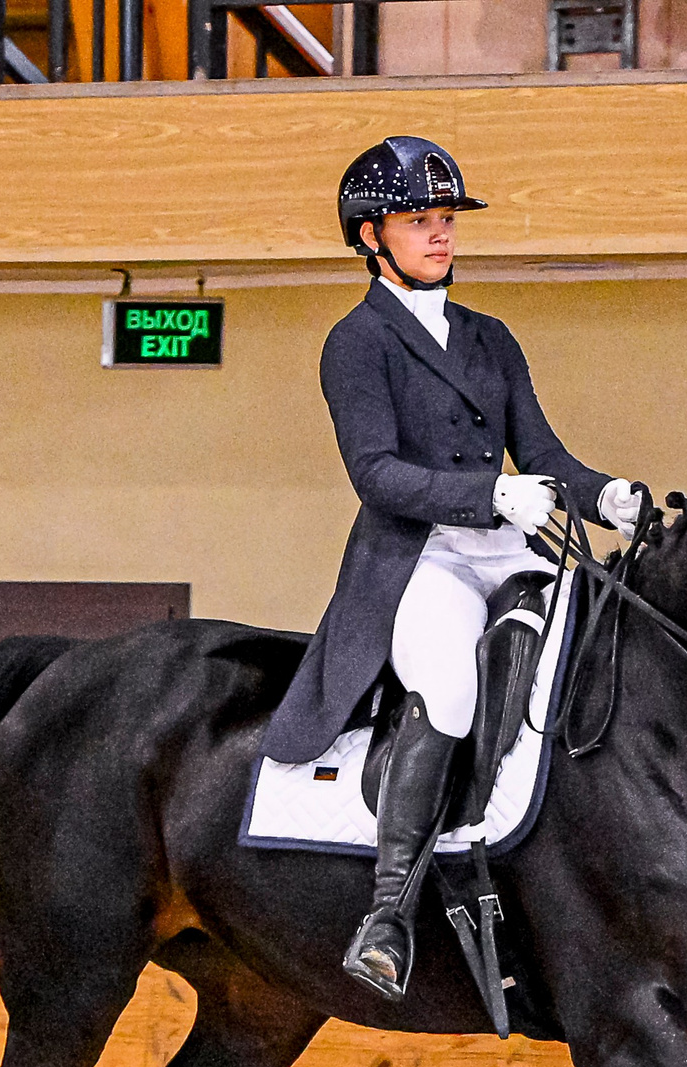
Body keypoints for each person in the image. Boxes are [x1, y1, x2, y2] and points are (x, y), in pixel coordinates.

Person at [263, 136, 646, 1001]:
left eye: (444, 220)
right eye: (418, 221)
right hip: (419, 557)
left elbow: (544, 453)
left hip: (508, 548)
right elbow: (377, 475)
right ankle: (389, 913)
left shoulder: (489, 337)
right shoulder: (356, 342)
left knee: (591, 656)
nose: (440, 236)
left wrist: (605, 495)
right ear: (371, 236)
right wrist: (487, 494)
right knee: (451, 684)